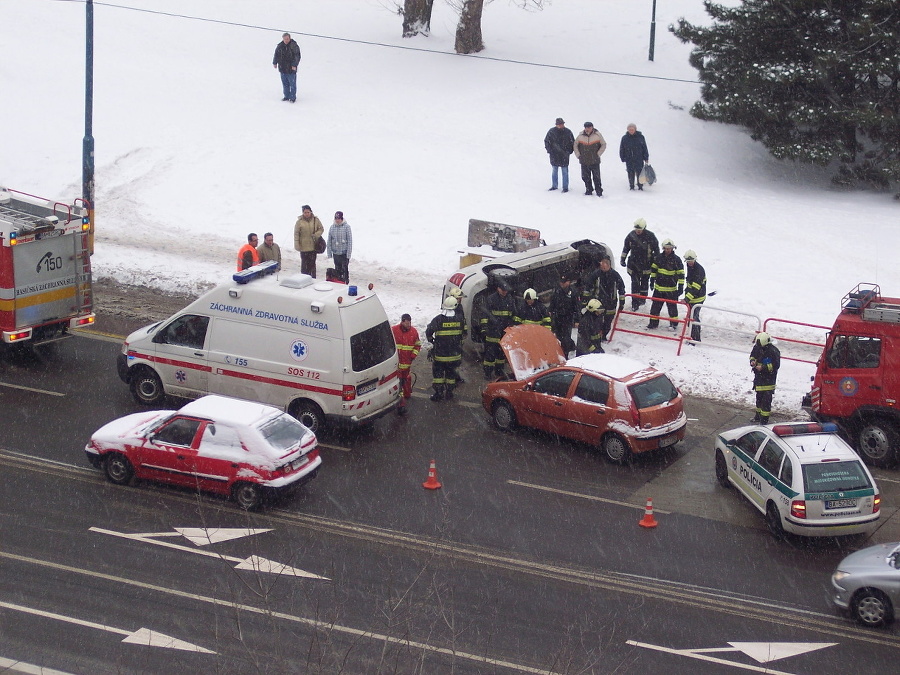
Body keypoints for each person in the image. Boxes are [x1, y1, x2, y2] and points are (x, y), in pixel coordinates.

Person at [425, 297, 464, 401]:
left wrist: (432, 340)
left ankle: (439, 393)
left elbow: (428, 332)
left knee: (438, 375)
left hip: (440, 355)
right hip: (454, 355)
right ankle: (449, 393)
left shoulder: (438, 319)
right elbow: (464, 334)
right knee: (451, 375)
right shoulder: (460, 319)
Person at [582, 256, 625, 341]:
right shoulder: (596, 274)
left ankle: (604, 335)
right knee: (597, 321)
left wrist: (622, 303)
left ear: (609, 266)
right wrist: (585, 301)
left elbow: (622, 289)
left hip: (611, 303)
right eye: (602, 266)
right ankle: (597, 336)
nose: (603, 268)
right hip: (598, 303)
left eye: (605, 267)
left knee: (608, 321)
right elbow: (588, 287)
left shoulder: (615, 275)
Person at [480, 280, 517, 380]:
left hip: (504, 331)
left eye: (506, 290)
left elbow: (513, 315)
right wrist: (484, 328)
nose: (505, 292)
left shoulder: (510, 299)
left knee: (501, 354)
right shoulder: (491, 299)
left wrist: (511, 327)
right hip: (492, 331)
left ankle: (499, 370)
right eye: (503, 290)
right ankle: (488, 372)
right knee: (490, 354)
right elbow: (484, 315)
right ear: (498, 289)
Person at [620, 218, 660, 311]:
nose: (638, 231)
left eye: (640, 229)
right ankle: (635, 303)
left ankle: (643, 299)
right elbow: (626, 248)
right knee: (635, 283)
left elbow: (656, 251)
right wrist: (623, 259)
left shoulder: (651, 236)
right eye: (636, 229)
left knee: (644, 283)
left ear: (644, 228)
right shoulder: (631, 236)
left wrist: (657, 263)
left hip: (647, 265)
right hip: (633, 265)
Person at [646, 239, 684, 330]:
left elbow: (681, 274)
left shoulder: (677, 260)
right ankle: (653, 324)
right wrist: (652, 280)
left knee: (672, 309)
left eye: (669, 248)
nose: (668, 250)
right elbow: (654, 269)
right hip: (658, 289)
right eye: (666, 248)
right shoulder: (658, 258)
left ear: (672, 248)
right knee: (655, 308)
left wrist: (681, 286)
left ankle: (674, 324)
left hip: (671, 290)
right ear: (663, 248)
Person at [392, 313, 421, 415]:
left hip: (406, 365)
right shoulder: (394, 330)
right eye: (407, 322)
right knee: (399, 385)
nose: (409, 324)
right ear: (402, 321)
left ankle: (404, 396)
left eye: (410, 322)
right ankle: (401, 405)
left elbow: (418, 345)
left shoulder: (413, 332)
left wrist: (413, 355)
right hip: (396, 366)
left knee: (404, 382)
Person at [750, 332, 780, 424]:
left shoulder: (773, 351)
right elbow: (752, 355)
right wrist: (752, 361)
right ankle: (758, 417)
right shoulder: (757, 347)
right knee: (758, 400)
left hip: (768, 382)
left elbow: (776, 365)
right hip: (759, 380)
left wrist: (763, 367)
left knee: (766, 403)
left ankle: (764, 421)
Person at [548, 273, 579, 356]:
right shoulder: (556, 291)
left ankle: (565, 355)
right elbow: (552, 303)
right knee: (559, 336)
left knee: (566, 338)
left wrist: (576, 320)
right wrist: (550, 311)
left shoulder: (573, 292)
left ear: (568, 282)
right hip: (558, 318)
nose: (562, 284)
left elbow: (576, 307)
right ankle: (571, 345)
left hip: (568, 318)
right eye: (561, 282)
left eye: (564, 282)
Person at [573, 122, 607, 197]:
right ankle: (589, 189)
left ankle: (598, 190)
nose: (587, 129)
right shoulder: (580, 135)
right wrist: (578, 155)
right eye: (586, 127)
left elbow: (603, 144)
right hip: (584, 160)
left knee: (596, 177)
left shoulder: (598, 135)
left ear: (592, 127)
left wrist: (598, 154)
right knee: (585, 177)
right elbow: (575, 146)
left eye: (589, 127)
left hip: (595, 160)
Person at [544, 117, 575, 192]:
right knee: (554, 170)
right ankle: (554, 186)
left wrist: (569, 151)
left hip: (564, 155)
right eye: (559, 124)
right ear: (556, 125)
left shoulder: (568, 132)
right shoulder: (551, 131)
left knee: (565, 171)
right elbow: (546, 141)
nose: (561, 125)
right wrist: (550, 151)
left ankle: (565, 187)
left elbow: (572, 142)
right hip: (554, 155)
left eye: (562, 124)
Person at [294, 204, 324, 278]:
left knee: (312, 266)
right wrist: (296, 244)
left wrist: (316, 234)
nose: (307, 214)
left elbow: (321, 229)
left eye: (308, 212)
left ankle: (312, 280)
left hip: (313, 247)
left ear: (311, 212)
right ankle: (303, 280)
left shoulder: (316, 220)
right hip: (303, 248)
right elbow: (296, 234)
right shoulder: (299, 222)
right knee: (304, 266)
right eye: (305, 212)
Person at [683, 250, 707, 342]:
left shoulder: (699, 270)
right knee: (691, 318)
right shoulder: (690, 266)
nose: (689, 263)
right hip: (692, 297)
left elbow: (696, 287)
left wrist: (686, 299)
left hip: (698, 298)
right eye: (688, 261)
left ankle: (695, 339)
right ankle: (693, 337)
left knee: (693, 318)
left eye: (691, 261)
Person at [619, 123, 650, 191]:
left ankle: (640, 185)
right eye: (630, 130)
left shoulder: (640, 137)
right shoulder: (624, 138)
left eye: (632, 129)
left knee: (639, 172)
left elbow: (644, 147)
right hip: (629, 158)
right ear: (628, 130)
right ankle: (631, 186)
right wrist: (622, 157)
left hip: (639, 158)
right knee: (630, 172)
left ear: (635, 129)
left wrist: (646, 157)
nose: (631, 131)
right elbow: (622, 148)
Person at [272, 32, 301, 103]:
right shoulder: (280, 46)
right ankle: (286, 96)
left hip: (291, 69)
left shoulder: (294, 46)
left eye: (287, 39)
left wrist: (294, 65)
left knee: (292, 84)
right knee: (285, 84)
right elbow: (276, 55)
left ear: (290, 38)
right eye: (285, 39)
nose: (286, 40)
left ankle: (292, 97)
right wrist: (275, 62)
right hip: (282, 68)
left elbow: (297, 56)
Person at [326, 211, 352, 283]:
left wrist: (348, 254)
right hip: (336, 253)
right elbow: (329, 241)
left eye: (339, 218)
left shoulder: (347, 227)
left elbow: (350, 241)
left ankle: (345, 281)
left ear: (342, 218)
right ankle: (339, 281)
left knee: (344, 269)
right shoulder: (332, 227)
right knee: (337, 270)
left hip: (344, 253)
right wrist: (329, 253)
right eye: (336, 218)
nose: (337, 220)